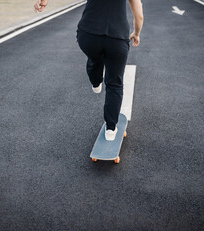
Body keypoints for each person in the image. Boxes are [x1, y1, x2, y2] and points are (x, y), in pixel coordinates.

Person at [34, 0, 143, 141]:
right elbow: (139, 16)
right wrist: (136, 33)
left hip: (88, 35)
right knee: (114, 83)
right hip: (117, 38)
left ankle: (96, 81)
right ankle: (110, 129)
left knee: (95, 58)